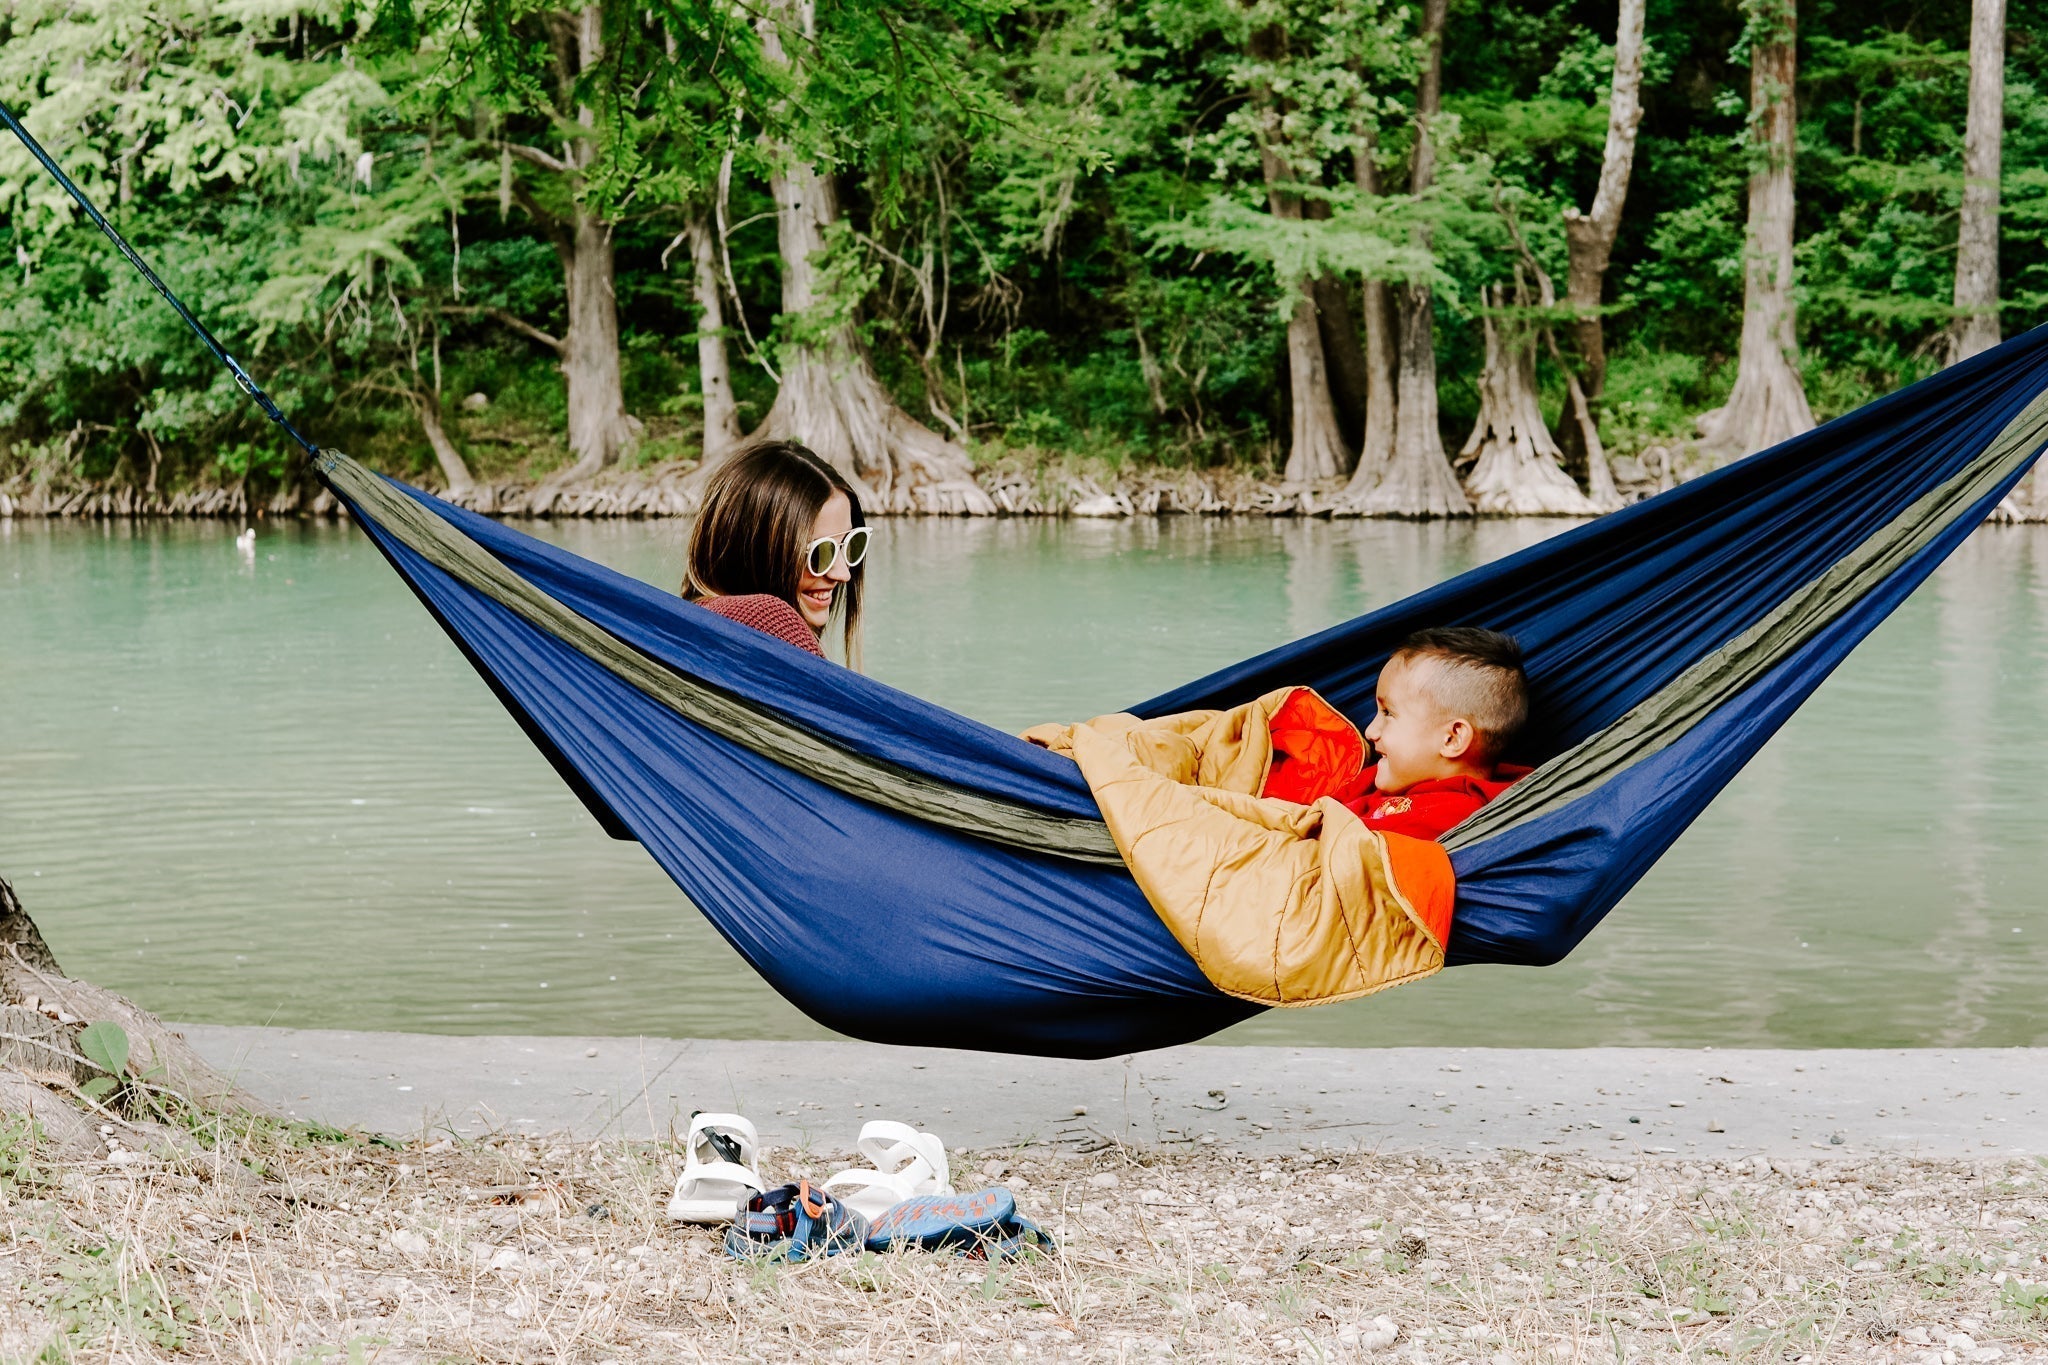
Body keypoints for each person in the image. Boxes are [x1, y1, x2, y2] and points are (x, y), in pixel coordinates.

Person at [1262, 626, 1531, 841]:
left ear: (1452, 739)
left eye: (1388, 713)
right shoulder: (1387, 775)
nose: (1370, 731)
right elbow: (1315, 813)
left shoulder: (1453, 816)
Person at [680, 441, 869, 665]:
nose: (843, 573)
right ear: (753, 550)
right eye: (820, 552)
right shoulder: (766, 618)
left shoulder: (697, 618)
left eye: (850, 543)